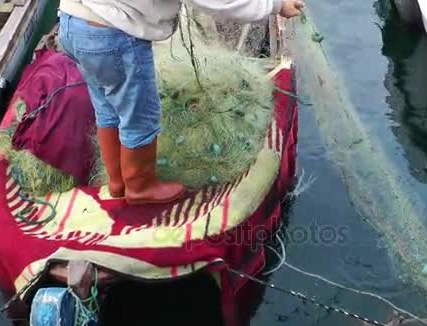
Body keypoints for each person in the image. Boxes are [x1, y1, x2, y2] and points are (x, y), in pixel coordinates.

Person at [57, 0, 305, 205]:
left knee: (108, 108)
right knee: (139, 118)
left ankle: (117, 181)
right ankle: (140, 187)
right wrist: (275, 5)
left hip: (73, 23)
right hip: (113, 35)